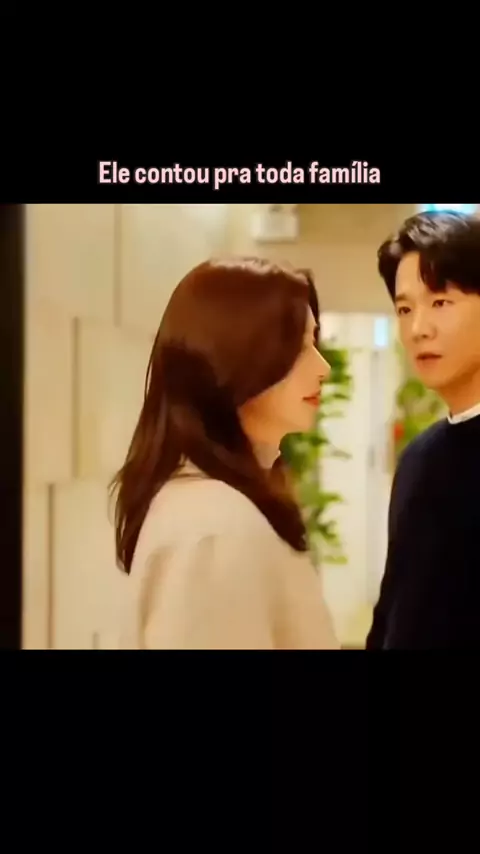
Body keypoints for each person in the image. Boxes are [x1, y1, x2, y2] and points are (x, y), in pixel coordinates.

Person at [111, 256, 339, 650]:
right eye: (299, 346)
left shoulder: (221, 507)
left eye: (314, 342)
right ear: (235, 358)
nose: (322, 368)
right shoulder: (213, 528)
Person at [366, 210, 480, 649]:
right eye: (404, 309)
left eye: (440, 303)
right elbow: (391, 612)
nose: (418, 329)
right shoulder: (419, 459)